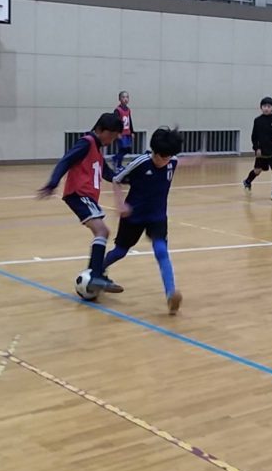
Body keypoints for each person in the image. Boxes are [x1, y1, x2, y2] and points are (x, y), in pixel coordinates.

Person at [37, 113, 125, 294]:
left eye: (115, 137)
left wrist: (129, 178)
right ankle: (96, 275)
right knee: (102, 231)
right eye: (111, 135)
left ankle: (96, 274)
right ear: (99, 130)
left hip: (86, 197)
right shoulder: (86, 143)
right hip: (78, 195)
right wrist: (53, 182)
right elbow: (65, 161)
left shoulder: (97, 149)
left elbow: (108, 174)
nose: (112, 140)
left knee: (103, 232)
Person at [105, 127, 185, 314]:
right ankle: (96, 270)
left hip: (157, 216)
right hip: (133, 216)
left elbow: (177, 160)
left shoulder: (172, 161)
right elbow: (116, 179)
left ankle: (171, 295)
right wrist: (120, 204)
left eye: (169, 157)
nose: (165, 161)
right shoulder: (140, 163)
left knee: (161, 251)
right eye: (162, 157)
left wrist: (196, 160)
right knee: (120, 251)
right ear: (154, 152)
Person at [243, 97, 272, 201]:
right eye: (264, 106)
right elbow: (254, 137)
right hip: (262, 151)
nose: (266, 108)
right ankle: (247, 181)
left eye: (269, 106)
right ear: (261, 107)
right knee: (257, 171)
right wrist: (256, 148)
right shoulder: (257, 121)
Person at [113, 91, 134, 171]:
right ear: (119, 99)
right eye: (123, 97)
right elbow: (116, 122)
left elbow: (130, 121)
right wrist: (117, 132)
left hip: (127, 133)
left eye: (127, 97)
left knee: (128, 149)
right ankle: (118, 165)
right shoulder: (117, 110)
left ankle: (115, 158)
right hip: (121, 133)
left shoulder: (128, 110)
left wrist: (132, 131)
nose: (125, 99)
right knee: (122, 149)